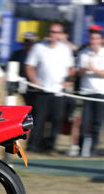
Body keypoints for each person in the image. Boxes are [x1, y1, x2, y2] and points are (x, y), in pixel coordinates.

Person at [25, 22, 75, 153]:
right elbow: (29, 66)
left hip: (58, 92)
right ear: (48, 33)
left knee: (57, 120)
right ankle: (33, 146)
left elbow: (71, 69)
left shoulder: (65, 50)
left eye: (57, 32)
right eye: (52, 32)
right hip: (42, 91)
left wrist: (68, 81)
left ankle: (50, 147)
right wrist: (35, 81)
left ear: (61, 35)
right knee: (38, 120)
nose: (54, 35)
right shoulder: (38, 47)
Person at [77, 28, 104, 157]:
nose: (93, 41)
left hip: (100, 93)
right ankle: (81, 148)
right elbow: (78, 73)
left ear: (101, 40)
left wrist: (94, 70)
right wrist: (83, 70)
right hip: (86, 92)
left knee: (97, 123)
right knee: (84, 123)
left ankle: (93, 149)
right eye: (91, 38)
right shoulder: (84, 53)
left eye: (96, 39)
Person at [10, 32, 37, 105]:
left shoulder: (38, 55)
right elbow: (11, 69)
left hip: (35, 85)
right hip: (21, 84)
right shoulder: (17, 54)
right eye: (26, 41)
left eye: (31, 42)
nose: (28, 44)